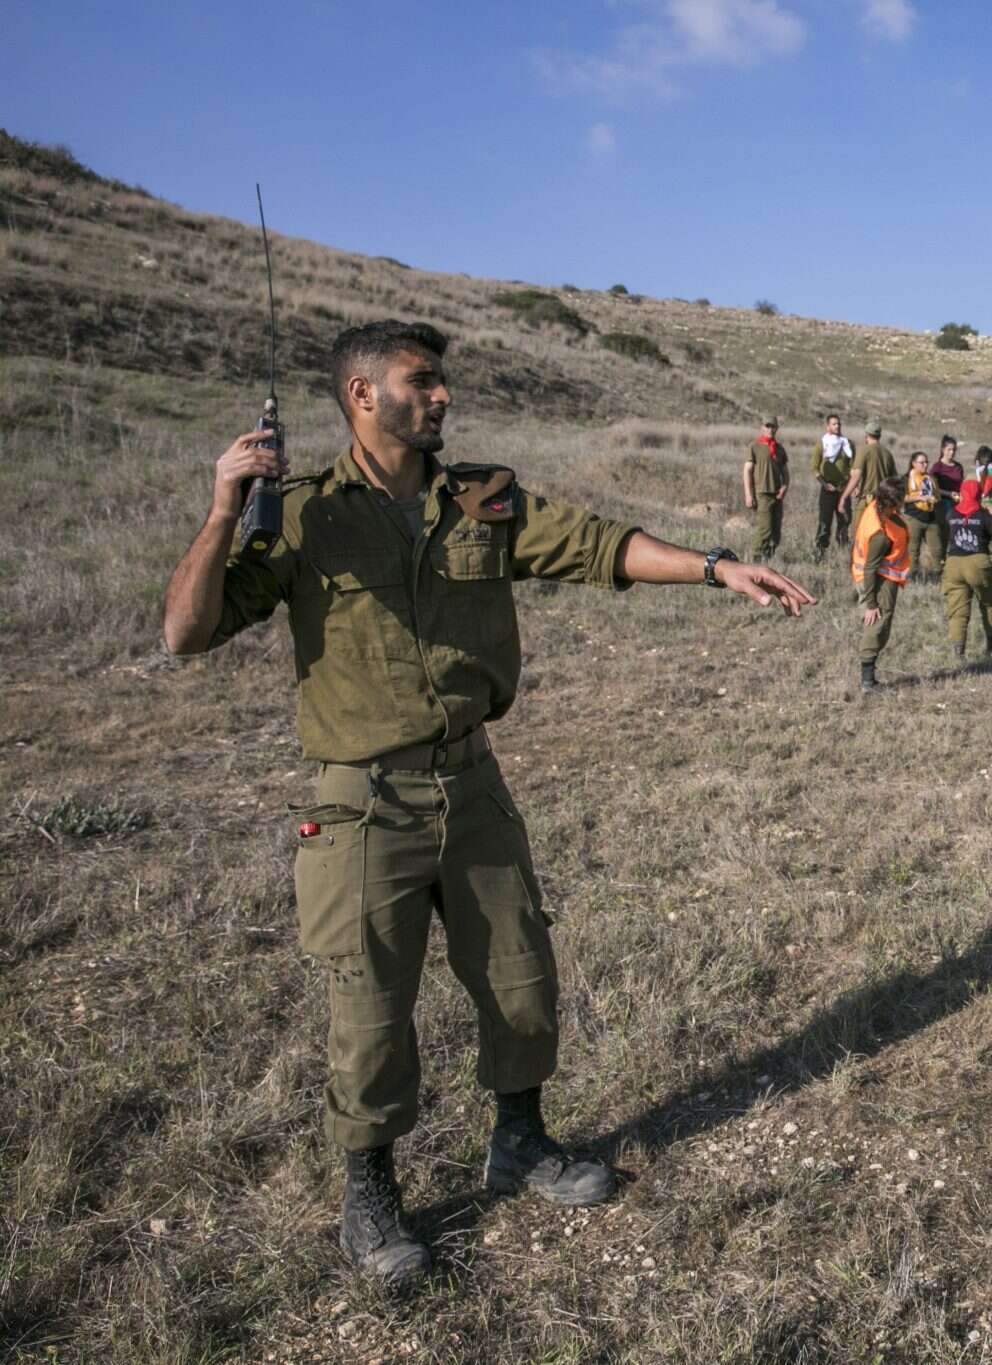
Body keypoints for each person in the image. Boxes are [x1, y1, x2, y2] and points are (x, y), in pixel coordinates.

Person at [159, 320, 814, 1288]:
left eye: (441, 383)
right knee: (371, 1005)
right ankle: (371, 1192)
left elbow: (595, 546)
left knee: (519, 976)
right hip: (363, 802)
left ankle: (520, 1140)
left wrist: (715, 567)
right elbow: (185, 633)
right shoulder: (297, 514)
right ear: (361, 396)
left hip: (473, 783)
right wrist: (222, 512)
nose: (442, 397)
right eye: (420, 382)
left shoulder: (482, 498)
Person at [853, 475, 911, 692]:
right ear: (892, 502)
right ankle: (868, 682)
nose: (904, 501)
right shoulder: (880, 535)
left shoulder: (875, 506)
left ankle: (870, 678)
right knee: (877, 624)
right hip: (878, 580)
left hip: (880, 576)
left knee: (879, 625)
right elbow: (870, 568)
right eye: (901, 499)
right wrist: (871, 603)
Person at [940, 478, 992, 657]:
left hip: (953, 563)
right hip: (978, 562)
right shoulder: (983, 515)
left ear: (962, 493)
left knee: (957, 610)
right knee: (988, 604)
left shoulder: (951, 514)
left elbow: (945, 534)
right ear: (978, 495)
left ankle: (958, 651)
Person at [742, 416, 789, 559]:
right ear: (762, 427)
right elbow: (747, 471)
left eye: (773, 426)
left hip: (777, 494)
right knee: (765, 529)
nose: (770, 429)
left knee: (776, 533)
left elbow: (785, 472)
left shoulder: (779, 449)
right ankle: (753, 559)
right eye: (767, 426)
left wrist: (784, 487)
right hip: (762, 493)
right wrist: (749, 495)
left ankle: (768, 560)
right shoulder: (754, 446)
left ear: (777, 428)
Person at [812, 414, 855, 561]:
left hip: (843, 490)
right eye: (834, 424)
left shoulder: (847, 444)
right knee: (825, 521)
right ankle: (819, 553)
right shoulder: (822, 444)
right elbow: (814, 468)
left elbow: (853, 467)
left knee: (845, 520)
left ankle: (844, 552)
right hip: (827, 490)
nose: (837, 426)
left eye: (839, 424)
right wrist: (825, 484)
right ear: (828, 426)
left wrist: (851, 485)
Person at [838, 420, 897, 521]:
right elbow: (894, 480)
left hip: (868, 501)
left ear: (866, 435)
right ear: (879, 436)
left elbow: (856, 476)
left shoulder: (863, 450)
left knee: (860, 532)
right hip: (885, 502)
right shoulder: (888, 454)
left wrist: (844, 497)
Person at [902, 450, 944, 578]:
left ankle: (938, 576)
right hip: (914, 517)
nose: (925, 465)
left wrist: (934, 499)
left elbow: (938, 496)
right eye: (922, 462)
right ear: (914, 463)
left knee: (937, 549)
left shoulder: (931, 479)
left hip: (931, 518)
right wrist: (920, 497)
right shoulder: (906, 478)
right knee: (913, 550)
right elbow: (903, 497)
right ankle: (913, 577)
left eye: (926, 462)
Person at [930, 435, 967, 564]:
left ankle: (955, 558)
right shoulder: (937, 467)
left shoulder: (958, 467)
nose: (952, 452)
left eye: (954, 450)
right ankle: (941, 560)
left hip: (957, 503)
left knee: (957, 530)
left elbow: (962, 484)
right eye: (949, 449)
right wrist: (949, 494)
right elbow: (932, 488)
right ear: (943, 449)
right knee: (945, 532)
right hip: (943, 503)